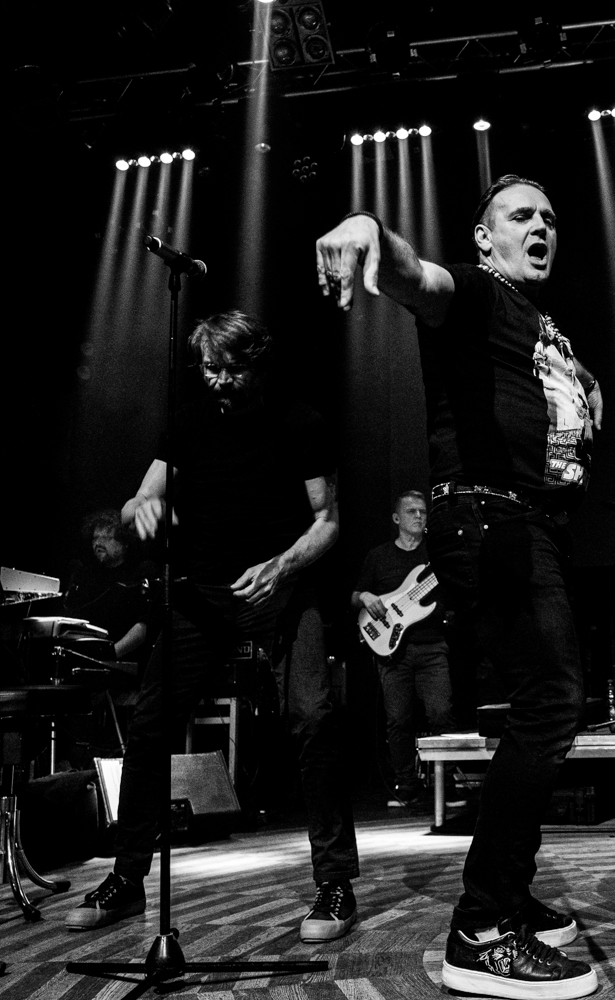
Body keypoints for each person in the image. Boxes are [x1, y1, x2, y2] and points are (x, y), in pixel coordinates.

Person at [316, 175, 601, 999]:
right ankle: (482, 927)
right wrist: (371, 230)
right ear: (485, 237)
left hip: (528, 519)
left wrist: (587, 396)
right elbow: (419, 280)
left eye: (550, 216)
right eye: (521, 215)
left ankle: (509, 893)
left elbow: (575, 396)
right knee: (551, 703)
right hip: (487, 514)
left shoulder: (541, 323)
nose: (541, 226)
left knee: (546, 705)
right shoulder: (475, 289)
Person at [65, 311, 361, 944]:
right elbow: (139, 499)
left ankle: (335, 882)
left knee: (313, 717)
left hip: (283, 587)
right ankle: (127, 878)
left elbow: (328, 522)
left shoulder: (300, 422)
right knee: (149, 725)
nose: (219, 381)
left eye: (231, 370)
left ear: (258, 364)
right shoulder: (190, 422)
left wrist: (282, 565)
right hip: (202, 592)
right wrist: (142, 510)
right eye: (209, 369)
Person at [353, 489, 457, 807]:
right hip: (391, 650)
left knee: (441, 714)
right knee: (398, 720)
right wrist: (364, 596)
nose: (419, 516)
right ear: (396, 518)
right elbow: (355, 596)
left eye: (423, 511)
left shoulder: (437, 554)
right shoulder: (379, 556)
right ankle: (406, 785)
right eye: (412, 511)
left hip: (432, 646)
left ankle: (446, 786)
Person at [63, 509, 156, 663]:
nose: (98, 543)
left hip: (121, 662)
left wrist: (109, 656)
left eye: (106, 538)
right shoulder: (86, 576)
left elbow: (144, 626)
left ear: (124, 542)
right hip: (83, 659)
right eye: (95, 538)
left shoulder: (138, 574)